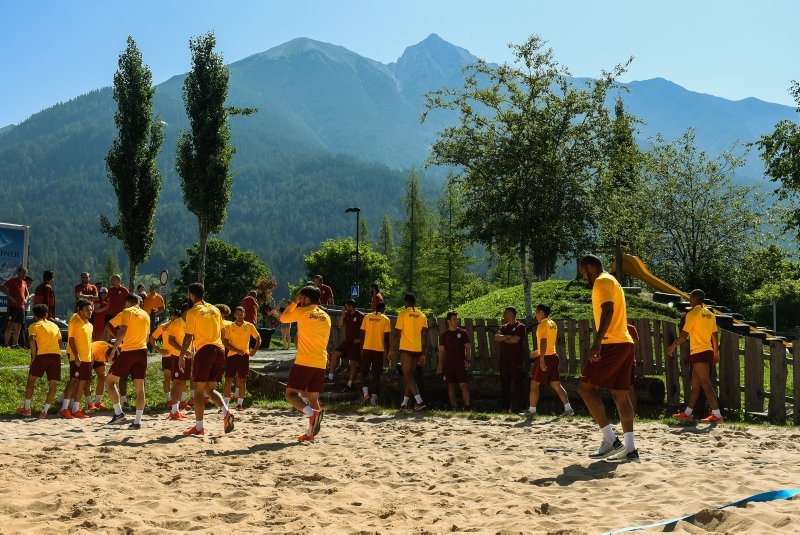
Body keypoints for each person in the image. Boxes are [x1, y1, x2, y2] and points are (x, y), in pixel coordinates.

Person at [578, 255, 638, 462]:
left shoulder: (602, 281)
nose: (583, 277)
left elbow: (608, 310)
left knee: (585, 388)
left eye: (582, 272)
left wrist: (597, 342)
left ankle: (611, 440)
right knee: (620, 394)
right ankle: (630, 449)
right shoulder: (613, 281)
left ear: (589, 267)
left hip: (611, 343)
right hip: (625, 342)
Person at [179, 283, 235, 436]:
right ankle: (226, 412)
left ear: (191, 295)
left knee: (198, 391)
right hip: (220, 350)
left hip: (205, 351)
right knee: (209, 390)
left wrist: (182, 355)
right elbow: (223, 333)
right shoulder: (215, 309)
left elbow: (188, 336)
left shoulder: (193, 312)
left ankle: (199, 427)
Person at [280, 285, 331, 442]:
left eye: (302, 298)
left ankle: (312, 414)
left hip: (304, 360)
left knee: (290, 394)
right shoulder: (326, 316)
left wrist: (295, 302)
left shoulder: (303, 311)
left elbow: (283, 318)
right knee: (313, 398)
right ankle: (310, 433)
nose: (300, 300)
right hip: (321, 361)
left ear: (307, 299)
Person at [667, 289, 723, 423]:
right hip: (707, 352)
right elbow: (714, 335)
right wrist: (716, 352)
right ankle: (687, 413)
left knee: (705, 384)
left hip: (699, 352)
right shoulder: (710, 314)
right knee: (696, 385)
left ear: (692, 299)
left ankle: (717, 415)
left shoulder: (692, 314)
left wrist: (672, 346)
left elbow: (684, 335)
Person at [106, 294, 151, 429]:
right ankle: (137, 422)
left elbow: (123, 330)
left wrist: (114, 350)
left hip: (129, 351)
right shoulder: (146, 315)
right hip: (142, 351)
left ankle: (119, 412)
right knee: (140, 388)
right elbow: (147, 338)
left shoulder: (127, 311)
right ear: (138, 302)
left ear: (127, 303)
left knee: (109, 381)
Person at [521, 304, 573, 418]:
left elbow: (544, 341)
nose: (535, 315)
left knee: (534, 384)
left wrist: (542, 358)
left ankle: (532, 411)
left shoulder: (543, 325)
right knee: (556, 384)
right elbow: (548, 343)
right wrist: (538, 351)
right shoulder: (552, 323)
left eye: (536, 312)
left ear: (541, 312)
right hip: (554, 356)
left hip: (546, 357)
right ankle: (568, 409)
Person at [16, 304, 62, 418]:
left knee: (31, 380)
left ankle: (26, 409)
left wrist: (34, 356)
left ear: (35, 315)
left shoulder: (34, 325)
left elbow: (32, 341)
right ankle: (44, 411)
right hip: (56, 355)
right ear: (47, 314)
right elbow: (60, 342)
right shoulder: (55, 326)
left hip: (42, 355)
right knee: (53, 384)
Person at [392, 293, 428, 411]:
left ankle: (419, 401)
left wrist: (392, 349)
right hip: (417, 349)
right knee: (410, 376)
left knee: (406, 374)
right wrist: (422, 353)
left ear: (406, 302)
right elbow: (424, 337)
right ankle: (404, 403)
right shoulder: (422, 316)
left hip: (406, 348)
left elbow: (397, 334)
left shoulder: (403, 314)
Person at [59, 299, 93, 419]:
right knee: (74, 381)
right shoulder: (75, 321)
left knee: (83, 382)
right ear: (80, 311)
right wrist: (77, 355)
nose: (90, 312)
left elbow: (89, 343)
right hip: (77, 357)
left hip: (87, 358)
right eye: (87, 310)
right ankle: (64, 408)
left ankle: (76, 409)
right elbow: (71, 340)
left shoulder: (89, 325)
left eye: (90, 310)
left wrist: (91, 357)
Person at [222, 306, 260, 412]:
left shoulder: (249, 326)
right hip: (231, 356)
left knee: (242, 380)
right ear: (234, 315)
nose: (239, 316)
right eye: (237, 314)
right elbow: (225, 342)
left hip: (244, 357)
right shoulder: (230, 326)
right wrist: (236, 350)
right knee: (228, 380)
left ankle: (239, 404)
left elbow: (258, 339)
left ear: (244, 315)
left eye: (241, 314)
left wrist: (254, 351)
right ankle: (225, 405)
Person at [326, 299, 364, 391]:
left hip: (355, 344)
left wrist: (360, 339)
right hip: (347, 342)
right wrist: (342, 315)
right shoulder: (346, 315)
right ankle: (330, 377)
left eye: (346, 306)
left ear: (351, 306)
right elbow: (340, 325)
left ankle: (349, 385)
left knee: (353, 364)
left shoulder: (361, 316)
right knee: (334, 354)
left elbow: (365, 330)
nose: (345, 308)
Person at [437, 311, 472, 410]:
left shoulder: (463, 333)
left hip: (460, 363)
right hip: (448, 364)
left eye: (457, 319)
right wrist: (440, 364)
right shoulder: (444, 335)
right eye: (454, 319)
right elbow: (441, 351)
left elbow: (468, 348)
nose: (457, 321)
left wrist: (468, 360)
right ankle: (453, 407)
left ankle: (467, 407)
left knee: (463, 385)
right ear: (448, 321)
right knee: (450, 385)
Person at [494, 306, 526, 412]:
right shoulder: (504, 327)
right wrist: (508, 337)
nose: (504, 315)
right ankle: (506, 407)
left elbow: (515, 340)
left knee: (518, 384)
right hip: (504, 361)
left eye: (506, 313)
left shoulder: (520, 326)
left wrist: (504, 338)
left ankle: (522, 407)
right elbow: (496, 337)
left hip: (516, 360)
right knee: (505, 384)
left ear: (511, 314)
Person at [359, 300, 391, 406]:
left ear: (375, 308)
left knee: (363, 373)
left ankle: (365, 394)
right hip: (379, 349)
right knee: (376, 374)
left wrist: (361, 348)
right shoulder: (386, 319)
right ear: (384, 309)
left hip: (367, 348)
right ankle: (374, 398)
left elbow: (362, 333)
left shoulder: (367, 317)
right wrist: (388, 351)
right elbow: (386, 337)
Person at [150, 312, 179, 409]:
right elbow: (152, 338)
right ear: (173, 316)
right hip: (167, 355)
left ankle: (180, 401)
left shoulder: (183, 325)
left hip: (179, 355)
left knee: (179, 380)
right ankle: (169, 400)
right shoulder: (163, 326)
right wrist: (159, 349)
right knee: (167, 378)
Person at [168, 302, 192, 418]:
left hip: (187, 357)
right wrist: (184, 351)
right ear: (184, 312)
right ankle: (174, 410)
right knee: (177, 382)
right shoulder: (177, 323)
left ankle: (176, 409)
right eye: (190, 311)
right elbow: (171, 340)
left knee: (182, 382)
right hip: (177, 356)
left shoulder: (191, 324)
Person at [1, 266, 29, 348]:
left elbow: (27, 293)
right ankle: (6, 344)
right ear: (18, 272)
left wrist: (26, 299)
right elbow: (2, 287)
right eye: (23, 273)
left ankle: (15, 344)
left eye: (26, 273)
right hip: (12, 306)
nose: (24, 274)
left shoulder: (24, 283)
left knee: (19, 326)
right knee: (10, 325)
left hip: (21, 307)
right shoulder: (12, 281)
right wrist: (10, 297)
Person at [89, 339, 111, 410]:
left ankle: (98, 402)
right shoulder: (98, 349)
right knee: (86, 380)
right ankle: (89, 403)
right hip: (90, 355)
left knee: (102, 377)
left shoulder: (113, 349)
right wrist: (90, 368)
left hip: (99, 356)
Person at [627, 322, 640, 416]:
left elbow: (634, 347)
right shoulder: (612, 328)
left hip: (628, 363)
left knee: (630, 388)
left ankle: (634, 413)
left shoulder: (630, 328)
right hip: (616, 363)